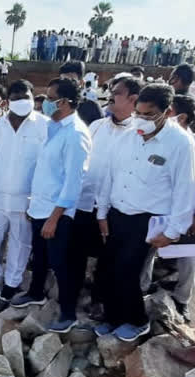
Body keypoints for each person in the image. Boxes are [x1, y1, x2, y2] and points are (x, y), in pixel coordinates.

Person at [95, 84, 195, 342]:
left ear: (167, 112)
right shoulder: (128, 135)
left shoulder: (181, 143)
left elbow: (185, 189)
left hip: (147, 219)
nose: (141, 120)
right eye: (138, 113)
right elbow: (110, 175)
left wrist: (173, 232)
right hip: (118, 212)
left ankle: (138, 321)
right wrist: (103, 213)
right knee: (107, 268)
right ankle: (113, 317)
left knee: (129, 271)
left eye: (149, 115)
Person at [11, 78, 91, 332]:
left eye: (49, 98)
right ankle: (36, 292)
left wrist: (55, 218)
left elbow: (73, 182)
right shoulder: (54, 128)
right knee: (40, 255)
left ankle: (68, 313)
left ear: (64, 102)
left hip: (58, 213)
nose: (43, 103)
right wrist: (34, 204)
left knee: (61, 264)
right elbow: (46, 171)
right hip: (40, 207)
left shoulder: (76, 134)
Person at [74, 76, 141, 320]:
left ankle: (100, 300)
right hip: (85, 202)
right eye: (111, 90)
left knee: (108, 258)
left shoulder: (137, 132)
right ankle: (74, 294)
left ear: (133, 99)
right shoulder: (97, 126)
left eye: (117, 92)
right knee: (79, 251)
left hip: (114, 207)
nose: (111, 95)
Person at [0, 80, 49, 301]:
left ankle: (12, 282)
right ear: (8, 101)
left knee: (20, 242)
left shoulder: (44, 125)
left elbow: (48, 164)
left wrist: (39, 199)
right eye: (16, 98)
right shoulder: (0, 125)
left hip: (26, 198)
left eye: (25, 97)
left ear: (33, 97)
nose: (21, 102)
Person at [140, 93, 195, 323]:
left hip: (187, 214)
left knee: (188, 259)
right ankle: (142, 291)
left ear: (177, 116)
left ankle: (182, 301)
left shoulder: (187, 144)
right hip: (159, 211)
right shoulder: (157, 139)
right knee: (148, 251)